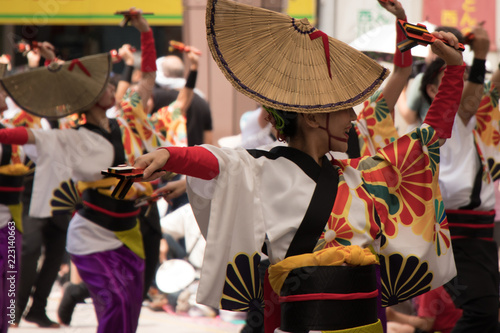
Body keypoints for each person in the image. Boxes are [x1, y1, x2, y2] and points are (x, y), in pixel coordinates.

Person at [134, 1, 465, 332]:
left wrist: (456, 70)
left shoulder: (360, 172)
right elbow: (217, 160)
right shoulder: (262, 166)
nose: (354, 118)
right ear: (311, 118)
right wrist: (168, 155)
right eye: (344, 110)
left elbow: (429, 138)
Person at [0, 8, 179, 333]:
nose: (111, 87)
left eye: (108, 84)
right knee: (113, 306)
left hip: (135, 226)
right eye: (103, 86)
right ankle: (21, 309)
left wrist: (146, 32)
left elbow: (148, 78)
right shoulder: (74, 136)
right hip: (93, 232)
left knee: (130, 310)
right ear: (89, 98)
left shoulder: (128, 115)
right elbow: (30, 134)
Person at [431, 25, 500, 333]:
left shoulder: (477, 118)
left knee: (489, 312)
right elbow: (469, 103)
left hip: (482, 230)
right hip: (453, 234)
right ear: (435, 90)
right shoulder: (445, 121)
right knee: (480, 312)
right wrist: (481, 55)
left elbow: (491, 91)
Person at [386, 286, 462, 333]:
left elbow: (427, 324)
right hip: (453, 327)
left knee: (390, 328)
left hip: (453, 330)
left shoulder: (428, 288)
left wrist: (393, 315)